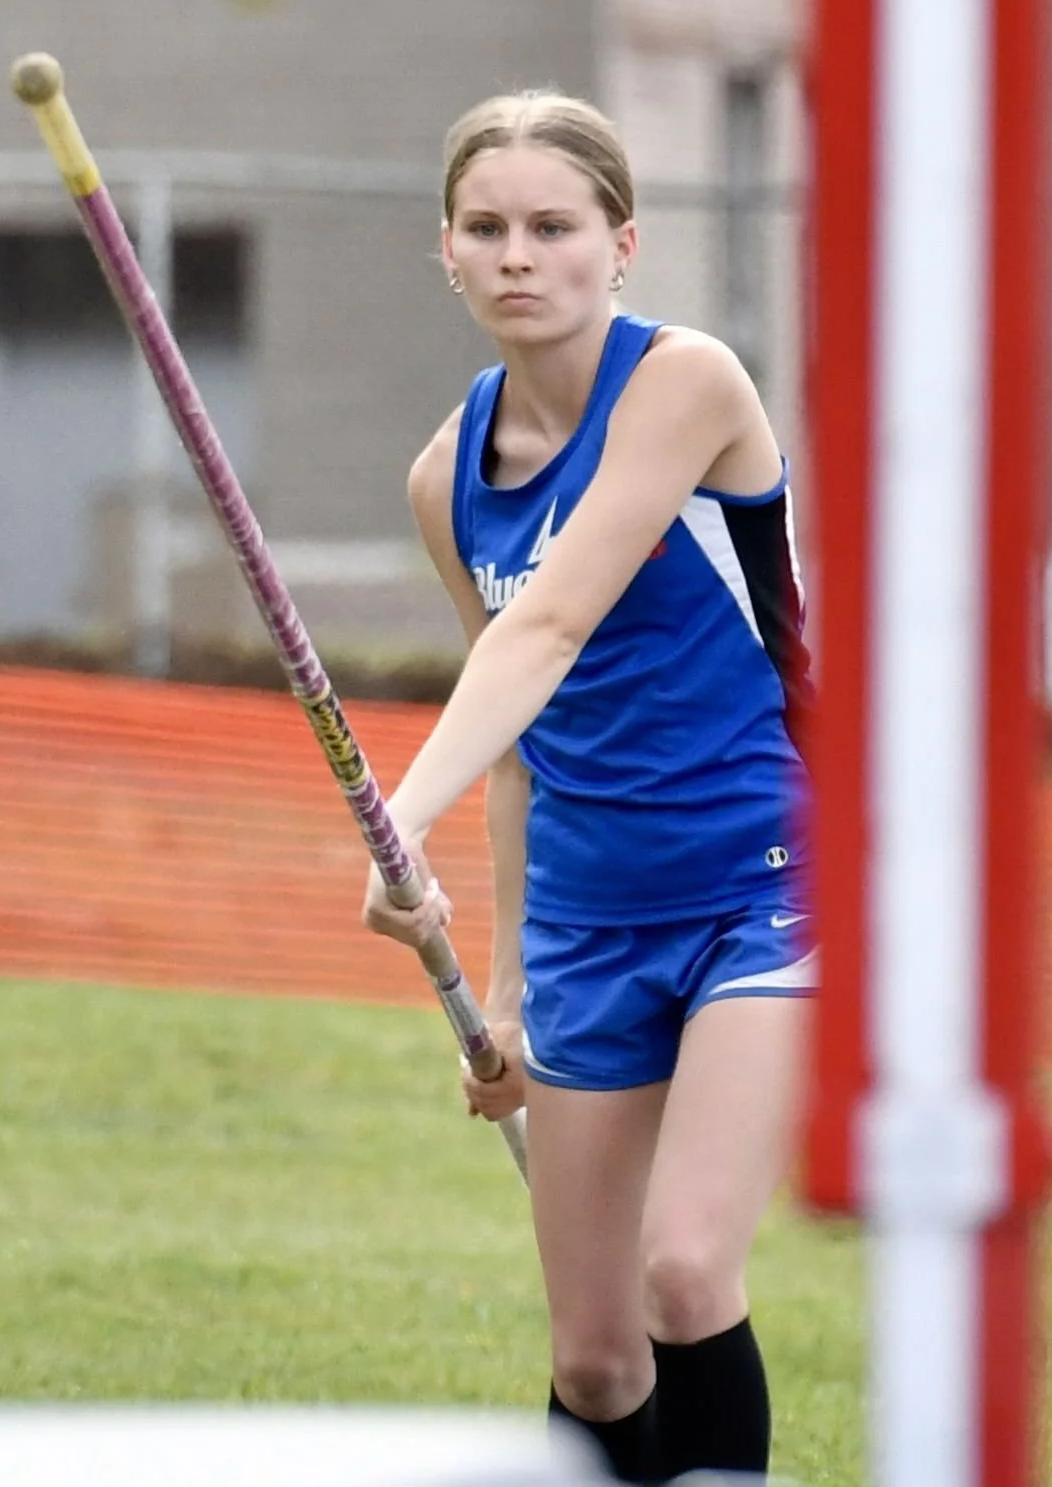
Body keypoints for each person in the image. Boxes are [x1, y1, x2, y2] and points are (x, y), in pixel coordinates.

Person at [361, 89, 816, 1485]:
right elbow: (519, 730)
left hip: (766, 886)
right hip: (586, 925)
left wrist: (397, 819)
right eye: (487, 228)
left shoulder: (687, 383)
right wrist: (496, 988)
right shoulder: (448, 478)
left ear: (621, 244)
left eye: (553, 227)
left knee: (686, 1268)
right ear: (446, 250)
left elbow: (547, 625)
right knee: (598, 1356)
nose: (519, 255)